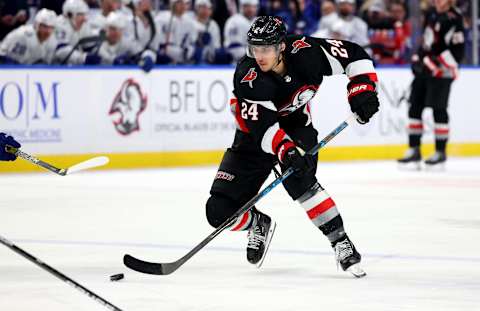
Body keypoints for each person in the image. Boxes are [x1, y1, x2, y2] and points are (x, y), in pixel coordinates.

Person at [205, 16, 379, 277]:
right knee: (217, 211)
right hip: (255, 136)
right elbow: (263, 128)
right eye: (255, 49)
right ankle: (257, 223)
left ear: (281, 47)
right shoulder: (247, 76)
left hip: (298, 127)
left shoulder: (307, 52)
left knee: (302, 182)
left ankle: (340, 241)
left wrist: (362, 90)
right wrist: (285, 151)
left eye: (266, 49)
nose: (259, 56)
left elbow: (354, 55)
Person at [397, 0, 464, 169]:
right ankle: (414, 150)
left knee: (438, 109)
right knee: (414, 108)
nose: (436, 1)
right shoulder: (432, 14)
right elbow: (426, 41)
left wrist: (438, 63)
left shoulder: (454, 18)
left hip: (442, 71)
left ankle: (440, 152)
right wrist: (418, 58)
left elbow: (454, 49)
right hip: (425, 69)